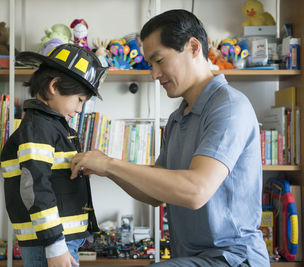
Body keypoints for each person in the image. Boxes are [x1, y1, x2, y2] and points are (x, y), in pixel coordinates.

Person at [71, 9, 269, 267]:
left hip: (233, 259)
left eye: (159, 60)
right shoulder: (177, 118)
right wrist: (106, 170)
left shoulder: (229, 107)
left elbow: (195, 191)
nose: (154, 74)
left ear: (193, 47)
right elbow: (155, 195)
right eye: (150, 65)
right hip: (191, 258)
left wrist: (110, 164)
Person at [1, 44, 107, 267]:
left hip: (58, 239)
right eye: (79, 100)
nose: (79, 109)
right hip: (51, 242)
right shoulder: (39, 128)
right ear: (55, 86)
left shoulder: (51, 125)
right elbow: (35, 187)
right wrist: (55, 244)